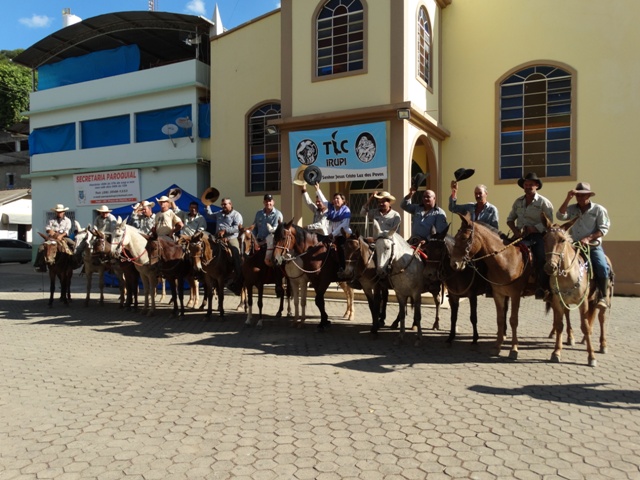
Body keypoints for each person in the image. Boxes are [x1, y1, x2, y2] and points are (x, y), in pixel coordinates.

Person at [557, 182, 611, 307]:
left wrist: (588, 238)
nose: (580, 198)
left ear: (589, 196)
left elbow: (603, 229)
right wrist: (567, 198)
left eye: (583, 195)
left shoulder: (599, 210)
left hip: (592, 246)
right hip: (573, 246)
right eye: (578, 195)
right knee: (555, 262)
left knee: (602, 266)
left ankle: (603, 296)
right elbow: (560, 216)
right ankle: (551, 291)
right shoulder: (572, 208)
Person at [506, 172, 554, 299]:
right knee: (505, 254)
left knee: (541, 258)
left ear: (536, 186)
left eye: (530, 185)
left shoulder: (544, 202)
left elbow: (549, 223)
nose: (527, 187)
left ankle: (543, 287)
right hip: (520, 236)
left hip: (538, 236)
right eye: (526, 185)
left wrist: (534, 228)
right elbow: (510, 219)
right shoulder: (518, 202)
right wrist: (516, 231)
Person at [206, 198, 244, 295]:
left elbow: (237, 228)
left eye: (225, 204)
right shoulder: (219, 213)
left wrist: (225, 231)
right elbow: (210, 215)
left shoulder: (236, 215)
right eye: (222, 204)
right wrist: (207, 205)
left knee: (235, 252)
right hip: (217, 238)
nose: (223, 206)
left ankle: (238, 278)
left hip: (230, 238)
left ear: (230, 204)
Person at [34, 204, 74, 272]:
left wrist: (60, 236)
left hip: (63, 237)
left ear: (64, 212)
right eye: (58, 212)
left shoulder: (68, 220)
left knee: (73, 244)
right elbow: (47, 227)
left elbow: (67, 230)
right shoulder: (52, 219)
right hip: (52, 238)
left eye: (60, 212)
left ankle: (74, 262)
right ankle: (40, 265)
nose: (59, 213)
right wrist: (50, 231)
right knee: (41, 247)